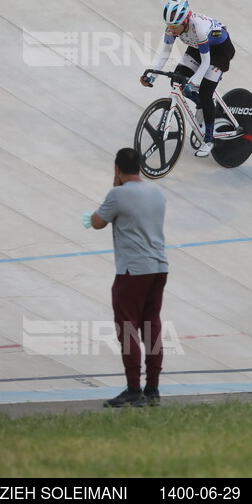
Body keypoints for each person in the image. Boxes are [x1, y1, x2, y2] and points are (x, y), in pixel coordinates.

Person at [83, 148, 168, 408]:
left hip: (132, 271)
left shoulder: (117, 194)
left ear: (117, 169)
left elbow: (97, 222)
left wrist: (114, 187)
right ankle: (152, 388)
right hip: (159, 267)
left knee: (128, 328)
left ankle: (133, 389)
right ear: (140, 167)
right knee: (151, 327)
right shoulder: (157, 191)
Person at [141, 0, 235, 158]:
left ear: (185, 21)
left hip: (219, 52)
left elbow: (206, 63)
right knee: (177, 79)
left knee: (205, 92)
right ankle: (200, 105)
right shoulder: (173, 27)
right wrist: (154, 75)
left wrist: (193, 82)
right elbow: (165, 52)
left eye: (175, 26)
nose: (172, 29)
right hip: (197, 47)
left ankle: (209, 140)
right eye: (169, 26)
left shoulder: (199, 28)